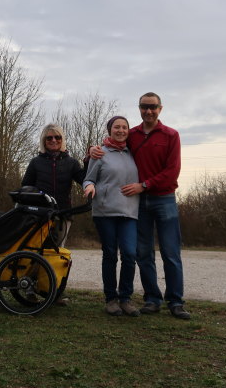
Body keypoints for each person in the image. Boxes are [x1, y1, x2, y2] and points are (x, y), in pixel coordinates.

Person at [90, 93, 190, 319]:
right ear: (139, 109)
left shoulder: (171, 135)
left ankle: (175, 301)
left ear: (160, 109)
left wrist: (144, 185)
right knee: (142, 253)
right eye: (144, 107)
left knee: (170, 253)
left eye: (153, 107)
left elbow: (172, 171)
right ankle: (152, 299)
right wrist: (93, 151)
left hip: (163, 198)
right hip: (138, 203)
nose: (149, 111)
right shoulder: (132, 135)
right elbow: (112, 148)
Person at [83, 116, 140, 316]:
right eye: (117, 127)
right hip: (105, 211)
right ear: (110, 130)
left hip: (129, 212)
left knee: (130, 254)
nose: (121, 130)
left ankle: (125, 298)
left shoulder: (134, 153)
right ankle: (111, 299)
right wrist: (89, 187)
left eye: (124, 127)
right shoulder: (100, 153)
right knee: (110, 254)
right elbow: (88, 179)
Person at [22, 123, 85, 247]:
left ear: (62, 140)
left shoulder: (72, 163)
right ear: (44, 141)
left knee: (57, 251)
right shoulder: (35, 162)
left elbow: (85, 180)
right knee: (36, 250)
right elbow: (26, 187)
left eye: (57, 137)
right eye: (49, 138)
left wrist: (89, 162)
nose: (54, 140)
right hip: (40, 215)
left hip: (63, 214)